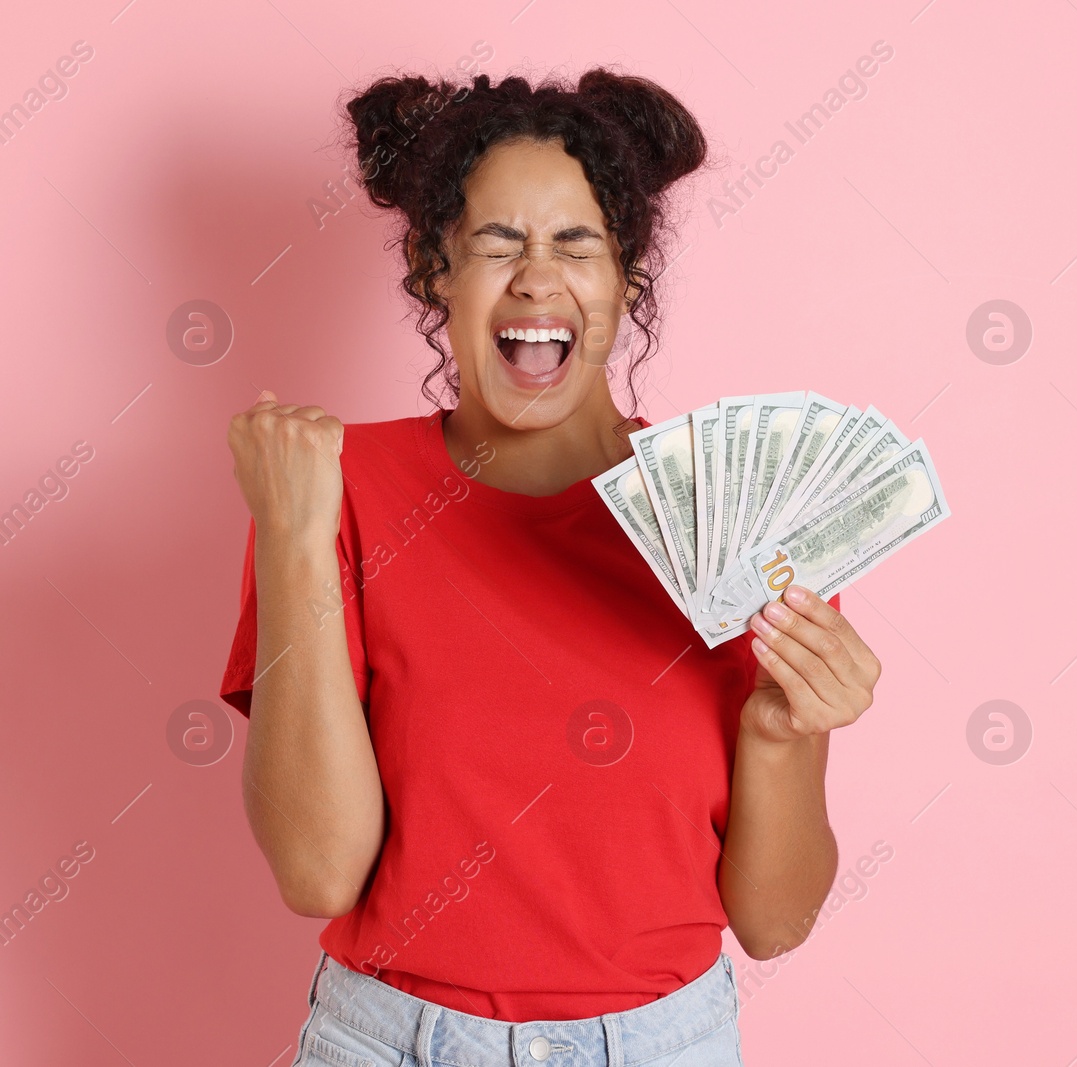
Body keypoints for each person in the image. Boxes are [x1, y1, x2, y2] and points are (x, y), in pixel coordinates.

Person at [219, 66, 882, 1067]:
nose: (536, 276)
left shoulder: (740, 514)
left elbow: (773, 922)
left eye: (577, 242)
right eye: (496, 242)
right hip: (388, 1038)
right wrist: (292, 535)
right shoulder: (328, 489)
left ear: (626, 278)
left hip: (664, 1041)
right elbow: (319, 871)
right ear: (436, 268)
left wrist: (782, 730)